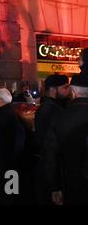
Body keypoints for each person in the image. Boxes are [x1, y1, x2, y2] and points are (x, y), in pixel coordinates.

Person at [44, 74, 88, 205]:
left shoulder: (60, 117)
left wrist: (55, 187)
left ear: (73, 92)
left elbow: (50, 155)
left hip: (72, 183)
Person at [34, 74, 70, 204]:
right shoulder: (53, 110)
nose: (69, 90)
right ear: (54, 90)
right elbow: (50, 147)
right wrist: (55, 185)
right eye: (65, 87)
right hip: (51, 170)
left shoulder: (48, 107)